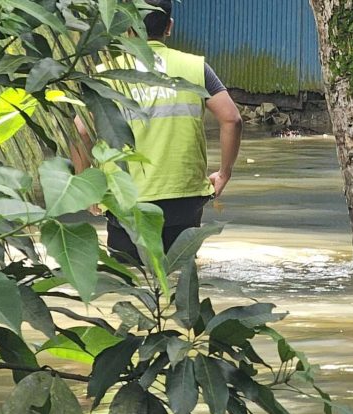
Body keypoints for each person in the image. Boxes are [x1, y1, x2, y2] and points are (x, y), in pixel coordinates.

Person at [72, 0, 242, 259]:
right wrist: (224, 172)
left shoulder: (105, 74)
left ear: (127, 27)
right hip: (184, 200)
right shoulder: (196, 68)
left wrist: (86, 188)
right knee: (178, 278)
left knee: (130, 281)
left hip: (126, 200)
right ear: (169, 27)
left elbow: (80, 131)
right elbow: (232, 119)